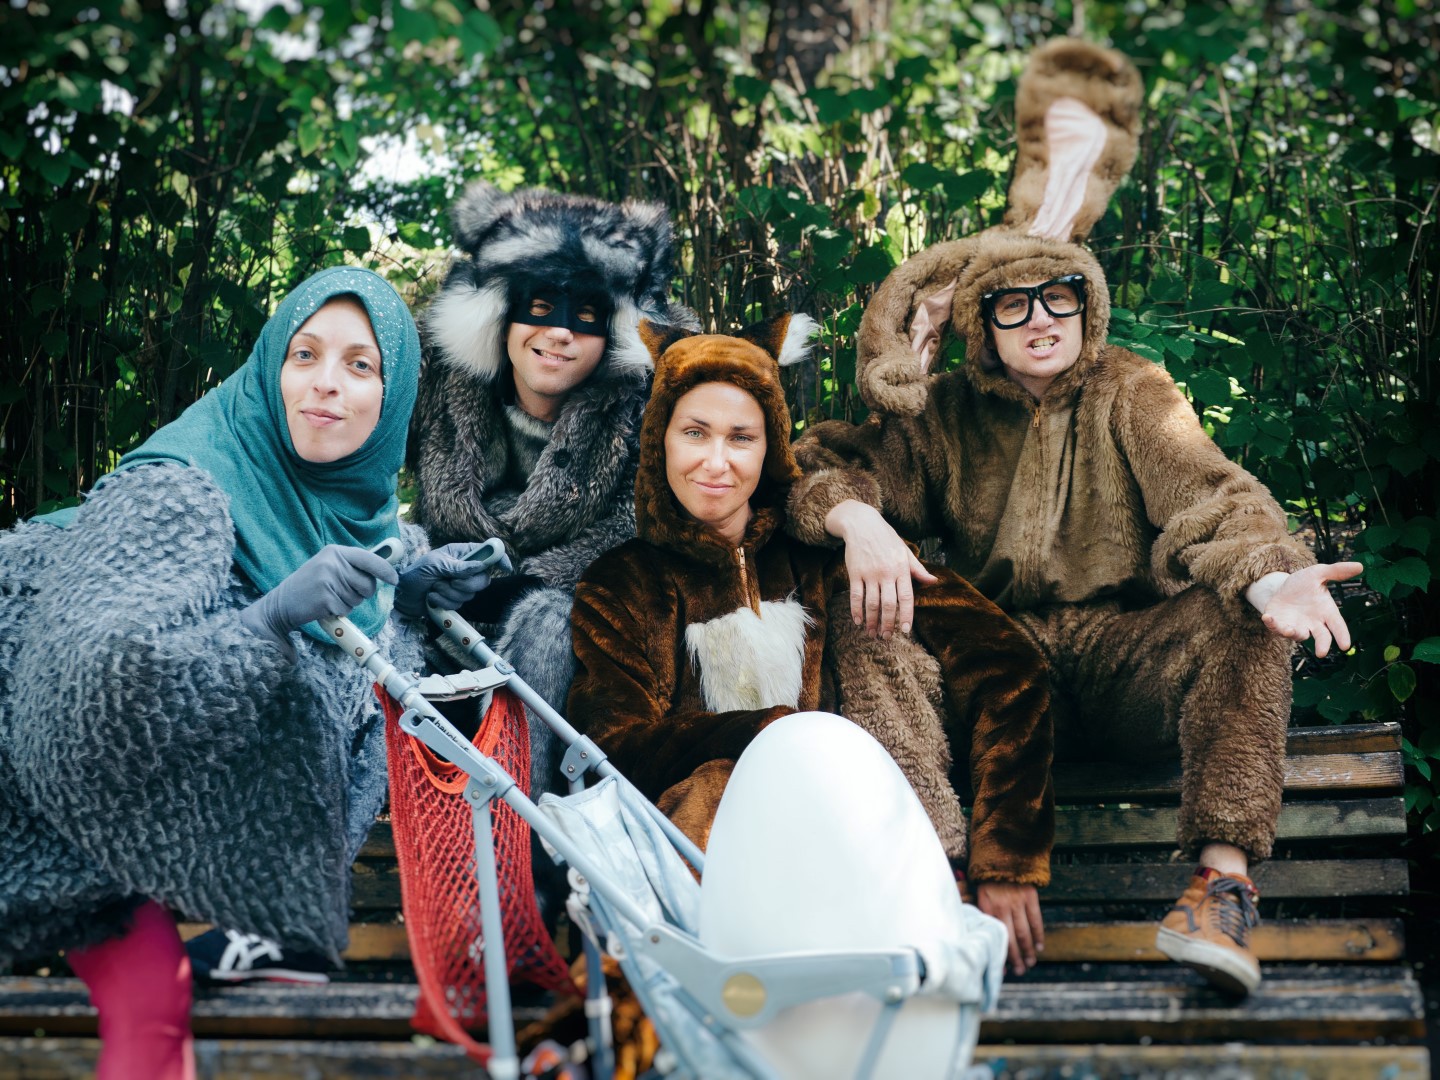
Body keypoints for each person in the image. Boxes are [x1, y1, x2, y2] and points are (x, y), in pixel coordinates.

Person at [784, 39, 1364, 995]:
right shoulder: (951, 412)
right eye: (1013, 307)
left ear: (1086, 308)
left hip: (1130, 658)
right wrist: (860, 522)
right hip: (1003, 672)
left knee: (1247, 613)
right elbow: (828, 466)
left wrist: (1266, 568)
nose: (1040, 320)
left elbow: (1212, 494)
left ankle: (1220, 889)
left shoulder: (1132, 389)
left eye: (1059, 298)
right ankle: (936, 878)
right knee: (867, 612)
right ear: (984, 326)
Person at [0, 267, 493, 1076]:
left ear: (394, 395)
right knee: (154, 1024)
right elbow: (95, 702)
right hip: (41, 799)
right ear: (271, 367)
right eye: (305, 355)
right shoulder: (179, 493)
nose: (325, 386)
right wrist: (267, 621)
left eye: (360, 366)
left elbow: (345, 642)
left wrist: (404, 589)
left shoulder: (339, 506)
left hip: (133, 837)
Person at [566, 314, 1055, 980]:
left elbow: (1010, 665)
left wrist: (1007, 857)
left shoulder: (829, 561)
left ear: (770, 448)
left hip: (844, 860)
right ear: (660, 443)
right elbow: (614, 749)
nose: (717, 461)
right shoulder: (622, 583)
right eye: (695, 434)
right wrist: (778, 735)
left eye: (742, 437)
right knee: (712, 785)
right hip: (704, 875)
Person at [409, 181, 698, 798]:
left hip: (573, 642)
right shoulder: (440, 383)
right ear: (501, 315)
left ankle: (525, 847)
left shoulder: (645, 408)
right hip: (441, 625)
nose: (559, 333)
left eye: (585, 316)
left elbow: (637, 527)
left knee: (546, 623)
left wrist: (519, 580)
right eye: (538, 307)